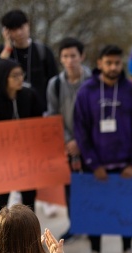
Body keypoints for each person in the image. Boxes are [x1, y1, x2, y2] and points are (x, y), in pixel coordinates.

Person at [74, 45, 132, 253]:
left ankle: (127, 249)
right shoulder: (87, 92)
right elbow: (81, 130)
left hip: (124, 165)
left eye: (117, 63)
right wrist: (93, 164)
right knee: (97, 209)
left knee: (126, 209)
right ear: (99, 64)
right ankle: (95, 252)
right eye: (108, 63)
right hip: (96, 166)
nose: (113, 67)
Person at [0, 59, 44, 217]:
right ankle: (1, 236)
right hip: (4, 161)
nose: (20, 78)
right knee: (2, 201)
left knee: (29, 200)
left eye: (21, 74)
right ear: (4, 78)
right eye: (14, 75)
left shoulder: (30, 96)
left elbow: (40, 125)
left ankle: (31, 237)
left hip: (27, 158)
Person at [46, 37, 92, 242]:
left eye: (73, 55)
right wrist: (68, 141)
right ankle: (75, 225)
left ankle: (93, 227)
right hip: (67, 145)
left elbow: (96, 115)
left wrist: (81, 141)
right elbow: (53, 115)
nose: (70, 60)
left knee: (91, 184)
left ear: (82, 56)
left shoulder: (93, 81)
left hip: (90, 145)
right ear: (60, 59)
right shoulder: (54, 84)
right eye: (65, 56)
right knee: (70, 186)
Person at [0, 9, 58, 112]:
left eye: (21, 27)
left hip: (39, 109)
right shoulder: (3, 51)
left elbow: (53, 80)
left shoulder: (42, 51)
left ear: (28, 25)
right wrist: (7, 48)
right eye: (14, 30)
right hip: (11, 110)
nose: (19, 33)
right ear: (6, 32)